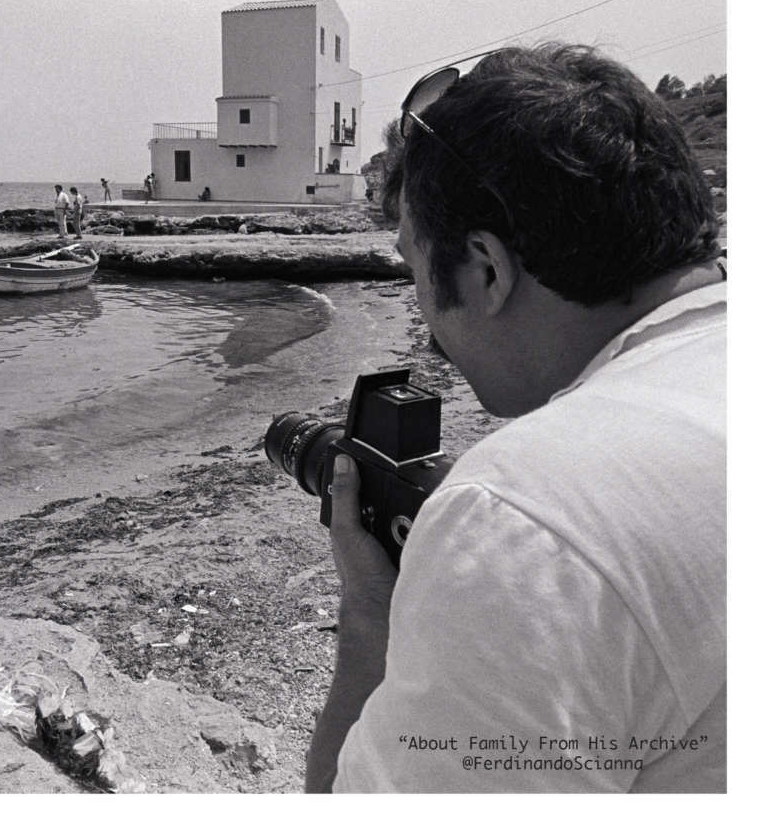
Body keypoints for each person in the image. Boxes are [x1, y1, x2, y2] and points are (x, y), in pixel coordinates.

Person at [309, 44, 725, 792]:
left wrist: (371, 618)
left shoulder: (522, 520)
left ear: (487, 270)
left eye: (412, 269)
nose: (425, 318)